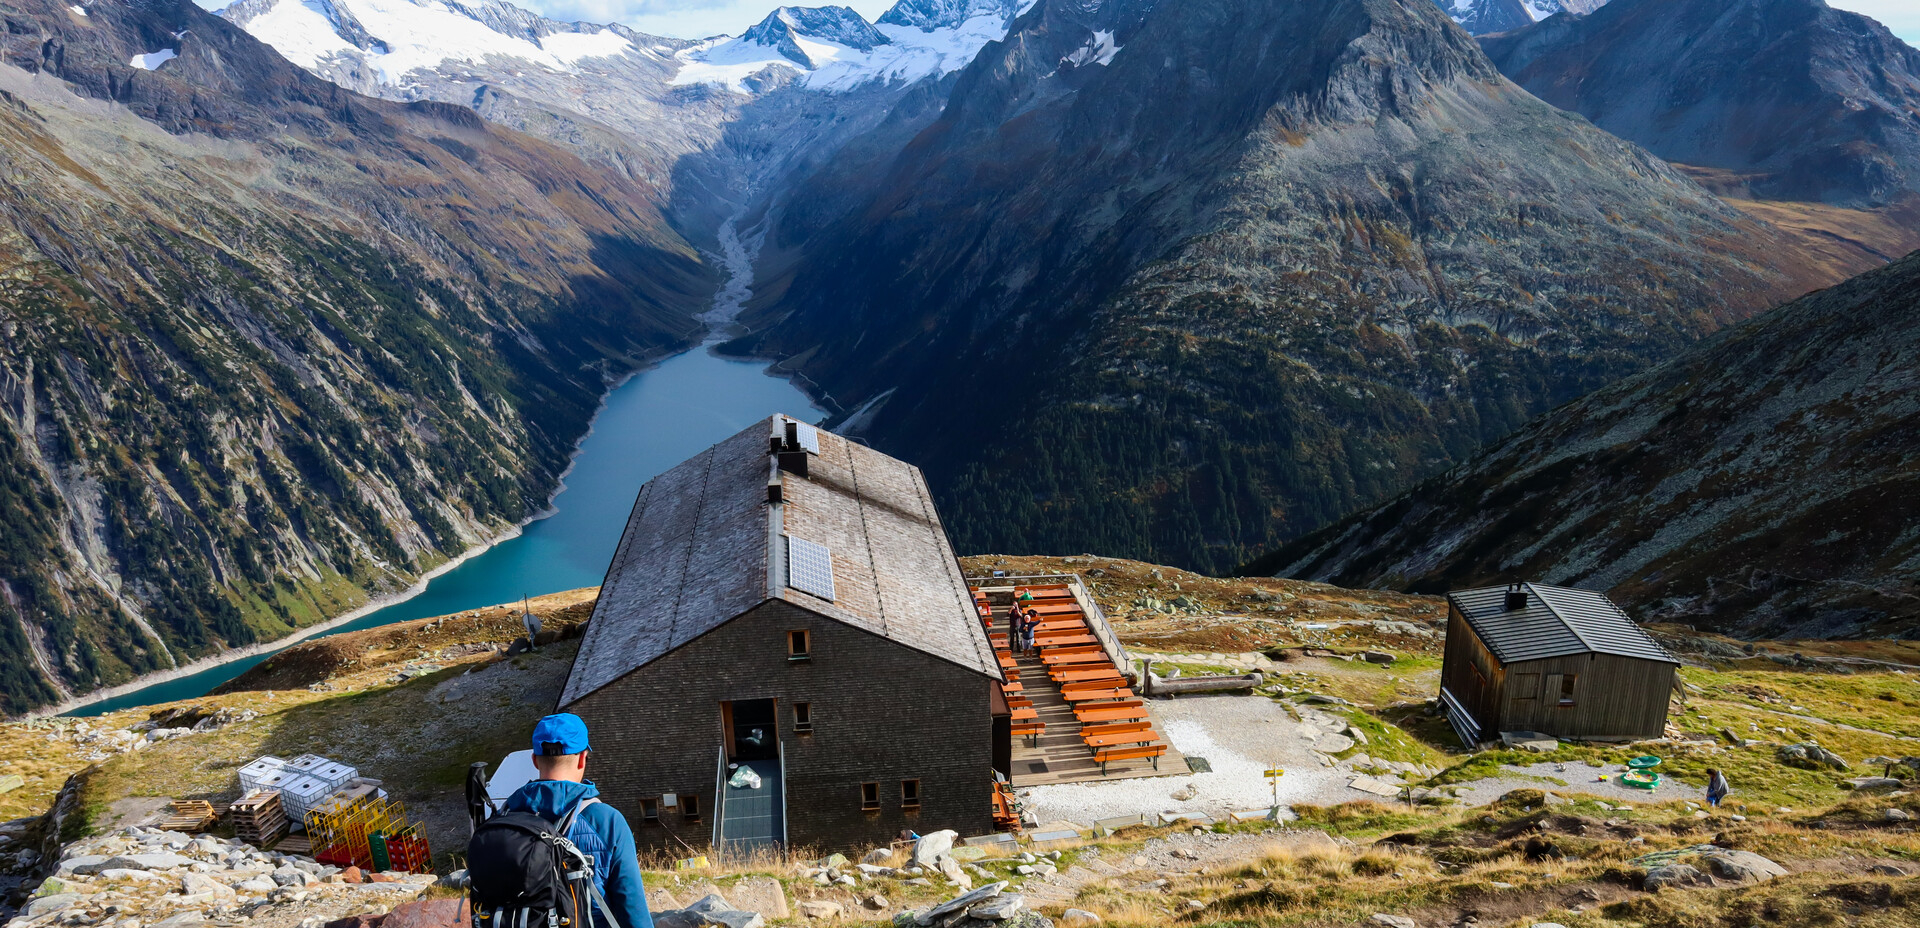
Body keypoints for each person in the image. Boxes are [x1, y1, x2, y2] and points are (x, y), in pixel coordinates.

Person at [502, 714, 653, 928]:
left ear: (535, 760)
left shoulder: (506, 816)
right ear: (583, 758)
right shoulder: (607, 821)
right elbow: (634, 914)